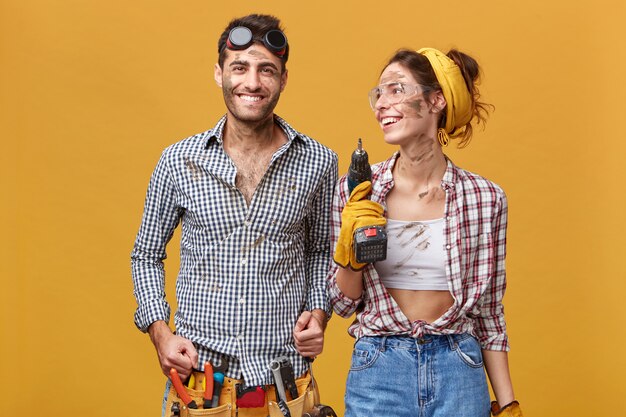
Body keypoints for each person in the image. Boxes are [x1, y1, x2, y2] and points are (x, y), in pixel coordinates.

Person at [131, 14, 337, 417]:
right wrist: (160, 332)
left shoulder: (318, 161)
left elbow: (321, 250)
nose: (253, 83)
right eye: (239, 67)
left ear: (284, 78)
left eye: (267, 70)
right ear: (219, 72)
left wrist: (318, 313)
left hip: (285, 387)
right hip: (200, 387)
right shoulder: (179, 161)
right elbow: (145, 254)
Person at [327, 48, 523, 417]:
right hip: (379, 367)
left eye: (396, 89)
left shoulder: (485, 199)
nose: (382, 104)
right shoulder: (356, 192)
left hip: (459, 367)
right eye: (378, 93)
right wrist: (349, 253)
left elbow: (490, 316)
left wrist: (508, 402)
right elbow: (342, 304)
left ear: (436, 100)